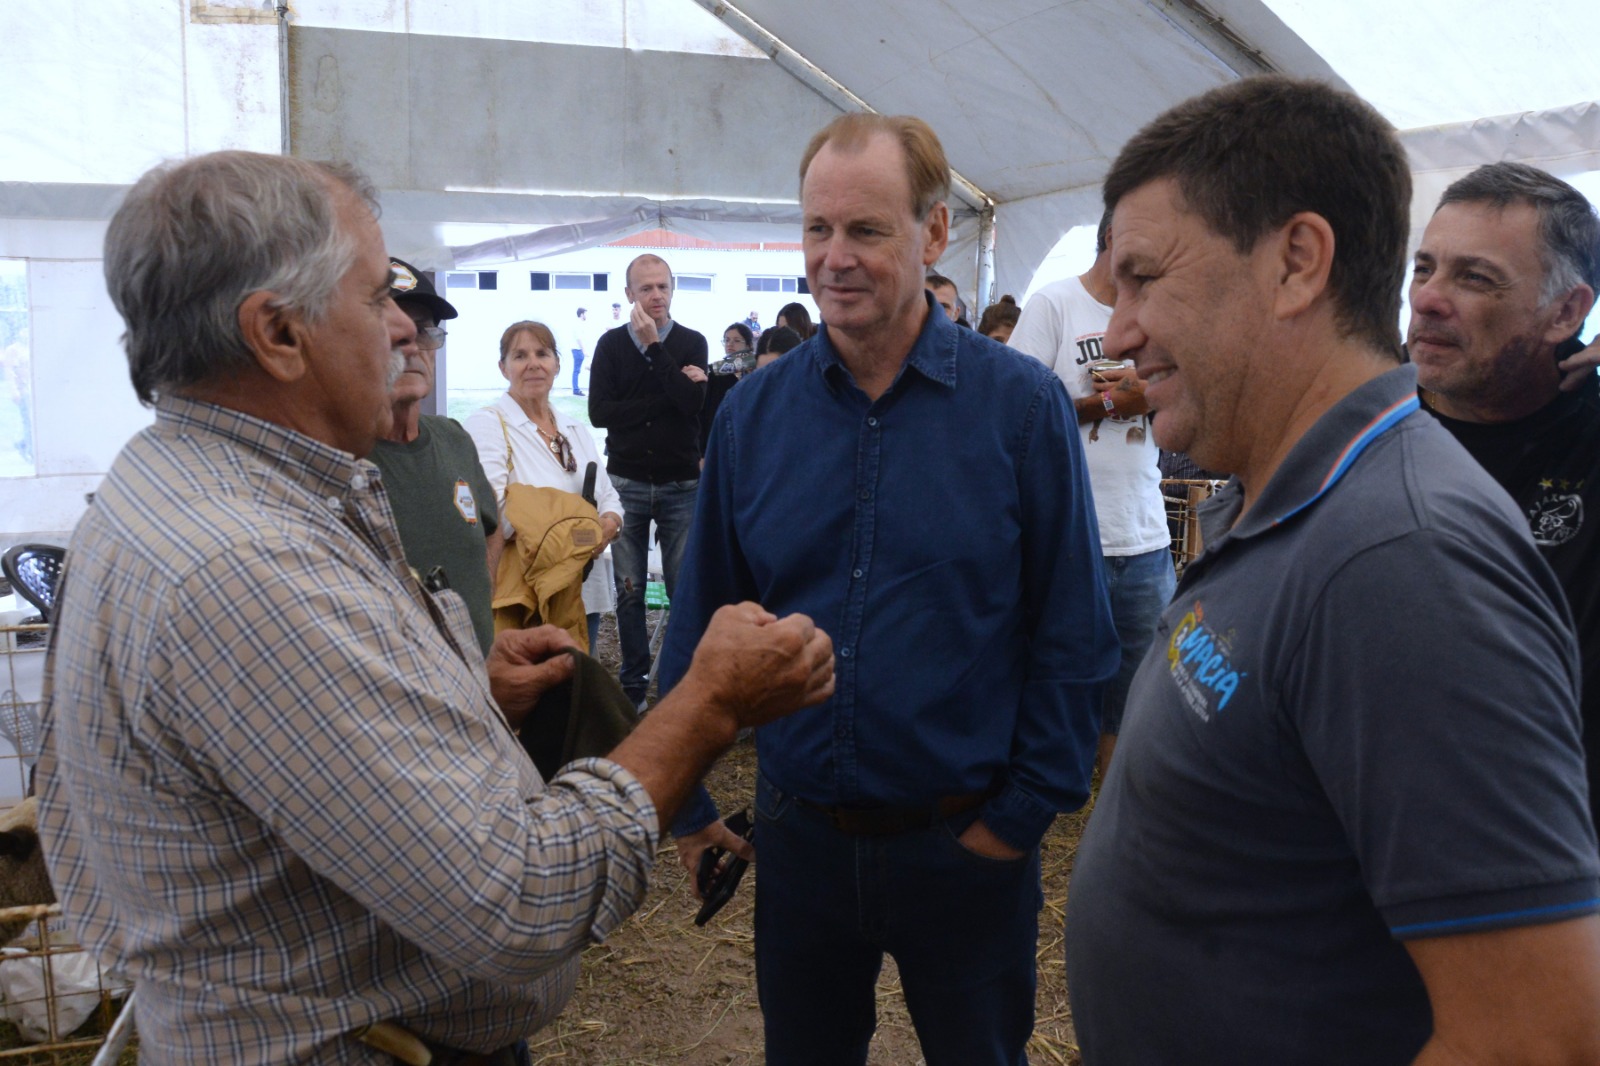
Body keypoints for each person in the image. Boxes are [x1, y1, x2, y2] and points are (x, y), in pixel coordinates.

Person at [35, 149, 836, 1065]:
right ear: (279, 333)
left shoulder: (186, 491)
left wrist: (456, 691)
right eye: (378, 297)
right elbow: (524, 898)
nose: (402, 331)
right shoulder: (249, 565)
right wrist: (708, 703)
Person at [1064, 76, 1600, 1065]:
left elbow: (1532, 1039)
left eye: (1143, 278)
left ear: (1297, 263)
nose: (1120, 333)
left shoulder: (1402, 561)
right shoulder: (1300, 496)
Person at [661, 113, 1116, 1066]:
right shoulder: (753, 417)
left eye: (865, 229)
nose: (834, 258)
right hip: (800, 844)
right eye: (817, 228)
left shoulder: (1020, 409)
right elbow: (702, 617)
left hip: (964, 847)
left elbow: (1073, 631)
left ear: (934, 232)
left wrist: (1018, 820)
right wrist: (687, 801)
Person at [1407, 161, 1600, 833]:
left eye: (1475, 277)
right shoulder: (1358, 424)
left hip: (1545, 838)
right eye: (1423, 268)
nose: (1428, 299)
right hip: (1366, 836)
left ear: (1566, 312)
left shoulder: (1589, 437)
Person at [1010, 210, 1174, 777]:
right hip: (1072, 538)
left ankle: (1113, 799)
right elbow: (1017, 412)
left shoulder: (1156, 316)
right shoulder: (1054, 304)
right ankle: (1053, 787)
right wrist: (1106, 403)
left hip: (1145, 534)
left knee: (1136, 692)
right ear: (1111, 239)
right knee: (1060, 679)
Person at [587, 254, 709, 706]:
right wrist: (672, 390)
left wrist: (656, 350)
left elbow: (692, 407)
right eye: (646, 288)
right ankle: (634, 685)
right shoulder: (610, 345)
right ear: (629, 294)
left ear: (673, 289)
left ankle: (678, 685)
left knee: (683, 591)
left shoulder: (692, 342)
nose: (656, 296)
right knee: (629, 591)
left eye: (663, 286)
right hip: (627, 482)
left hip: (681, 485)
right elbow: (600, 412)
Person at [464, 320, 623, 653]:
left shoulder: (574, 429)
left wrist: (609, 523)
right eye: (520, 355)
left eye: (542, 353)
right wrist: (586, 534)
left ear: (557, 364)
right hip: (528, 594)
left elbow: (609, 496)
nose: (533, 364)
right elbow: (497, 516)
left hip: (584, 588)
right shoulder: (488, 425)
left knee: (579, 679)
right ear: (503, 367)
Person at [368, 257, 500, 655]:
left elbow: (493, 528)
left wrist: (479, 600)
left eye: (424, 330)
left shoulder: (453, 438)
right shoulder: (344, 456)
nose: (411, 345)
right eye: (390, 329)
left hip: (476, 673)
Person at [702, 322, 756, 455]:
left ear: (749, 345)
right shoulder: (716, 374)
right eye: (726, 340)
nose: (729, 344)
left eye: (736, 340)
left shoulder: (756, 367)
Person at [570, 306, 588, 396]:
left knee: (577, 370)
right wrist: (584, 350)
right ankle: (576, 389)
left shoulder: (578, 324)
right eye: (585, 314)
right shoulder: (578, 324)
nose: (586, 316)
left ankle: (576, 389)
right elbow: (579, 339)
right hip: (577, 350)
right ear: (581, 314)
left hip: (577, 350)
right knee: (576, 370)